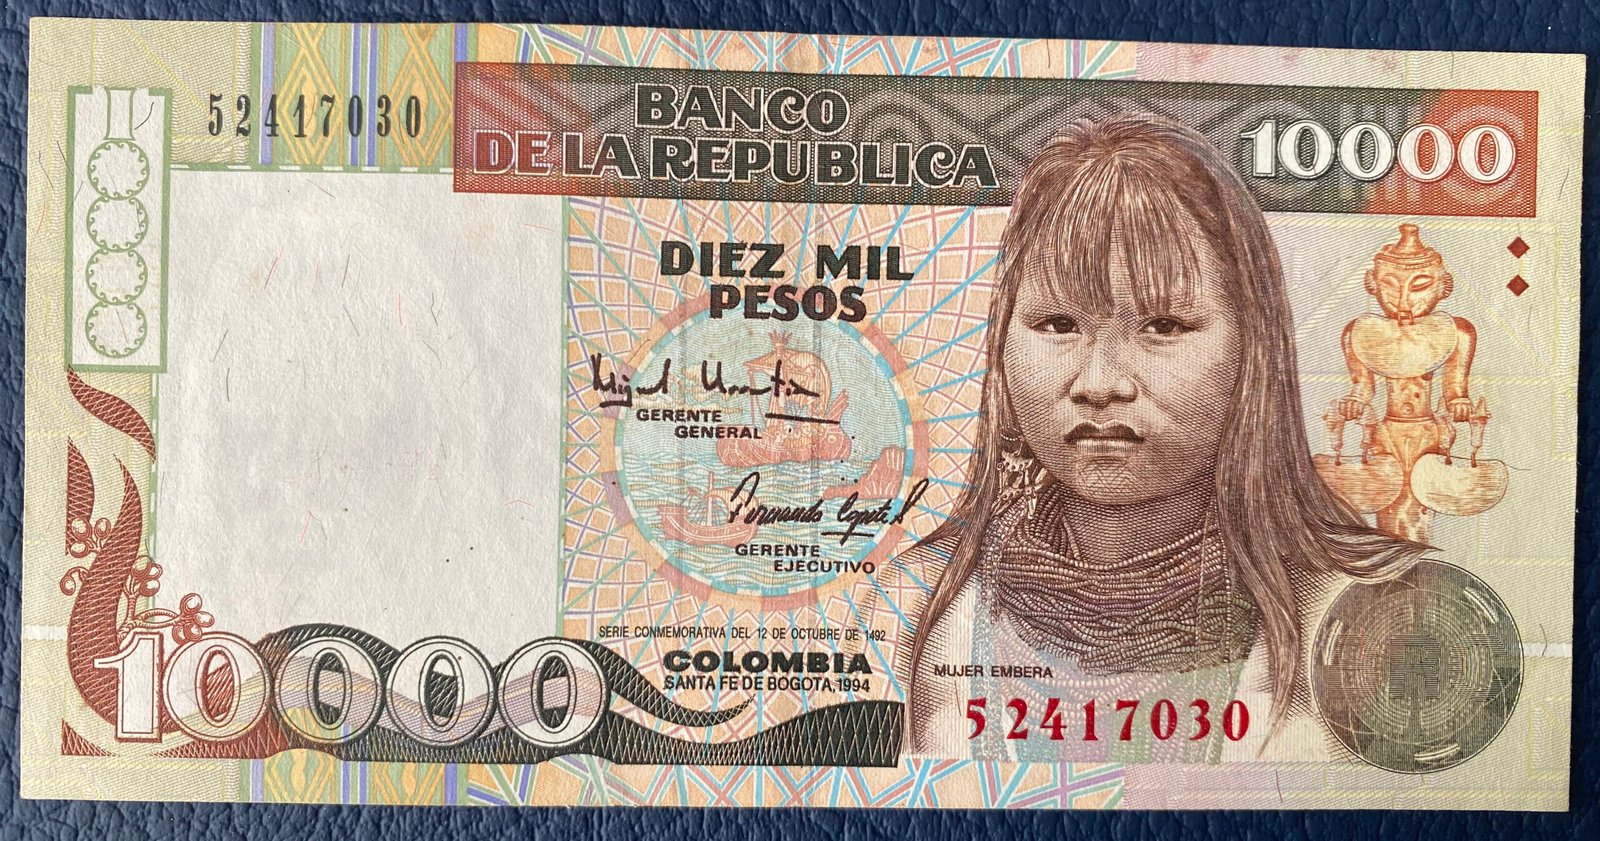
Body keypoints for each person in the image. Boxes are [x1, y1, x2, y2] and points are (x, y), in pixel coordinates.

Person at [901, 113, 1425, 760]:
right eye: (1058, 324)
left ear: (1252, 348)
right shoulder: (911, 602)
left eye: (1164, 327)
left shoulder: (1369, 614)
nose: (1100, 383)